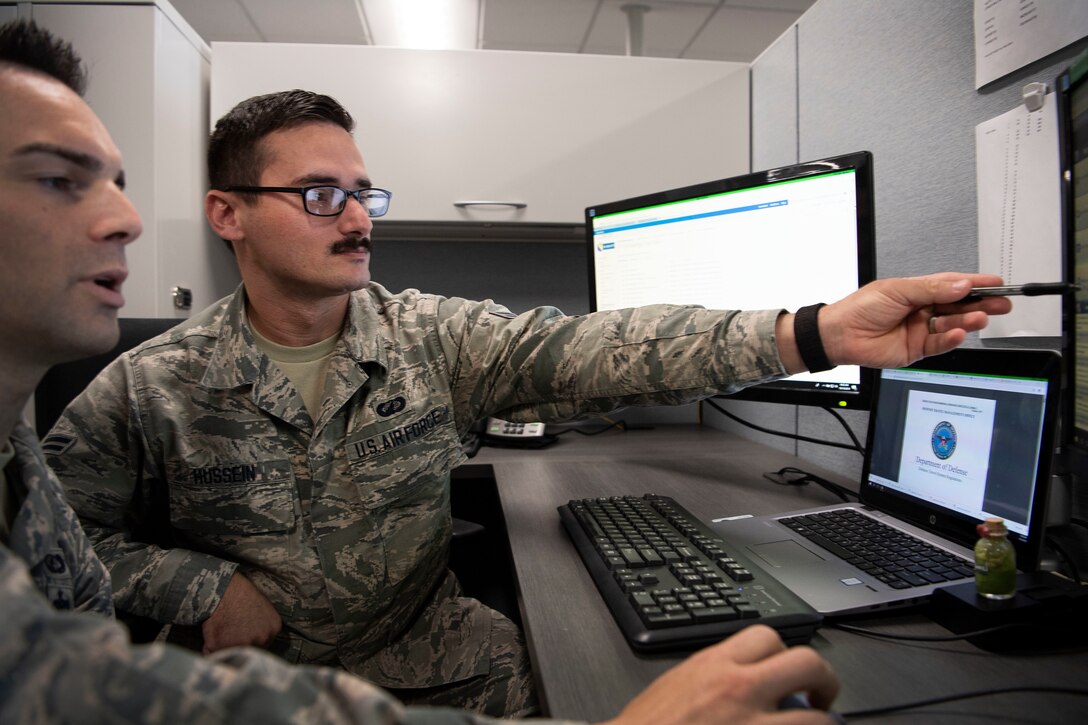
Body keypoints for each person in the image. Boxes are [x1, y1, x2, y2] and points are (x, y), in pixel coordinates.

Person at [44, 82, 1007, 723]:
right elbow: (56, 534)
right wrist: (204, 586)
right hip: (245, 688)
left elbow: (602, 350)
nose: (357, 217)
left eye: (364, 194)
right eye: (320, 195)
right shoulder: (151, 383)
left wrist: (820, 331)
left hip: (435, 656)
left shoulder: (431, 338)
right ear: (229, 214)